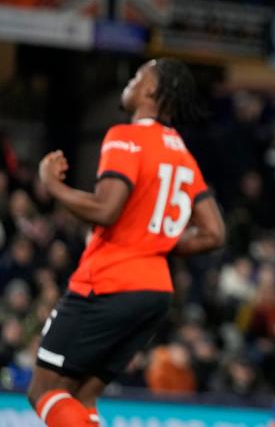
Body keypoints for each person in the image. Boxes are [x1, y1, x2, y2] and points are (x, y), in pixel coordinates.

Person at [26, 58, 226, 427]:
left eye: (138, 76)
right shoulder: (182, 152)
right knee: (82, 395)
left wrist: (52, 185)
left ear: (150, 91)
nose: (131, 81)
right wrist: (156, 243)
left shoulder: (127, 136)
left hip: (109, 281)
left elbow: (105, 209)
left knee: (43, 389)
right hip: (155, 293)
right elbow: (215, 233)